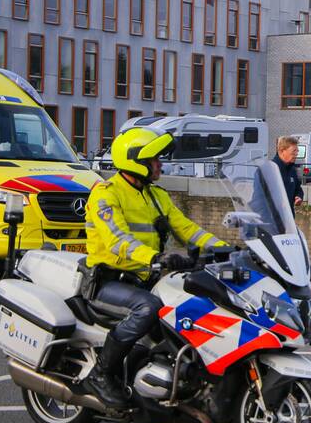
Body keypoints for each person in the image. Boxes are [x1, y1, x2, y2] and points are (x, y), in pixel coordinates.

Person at [82, 127, 227, 407]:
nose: (160, 164)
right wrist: (155, 258)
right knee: (148, 308)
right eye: (154, 160)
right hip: (108, 281)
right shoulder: (106, 194)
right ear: (136, 162)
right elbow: (117, 240)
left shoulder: (156, 196)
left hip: (143, 279)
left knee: (192, 305)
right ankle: (101, 374)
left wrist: (226, 250)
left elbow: (188, 229)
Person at [273, 135, 304, 213]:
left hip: (288, 220)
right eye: (294, 151)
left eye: (297, 151)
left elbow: (298, 189)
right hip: (271, 221)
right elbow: (259, 199)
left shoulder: (292, 170)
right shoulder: (269, 170)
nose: (297, 154)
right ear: (282, 151)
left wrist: (299, 197)